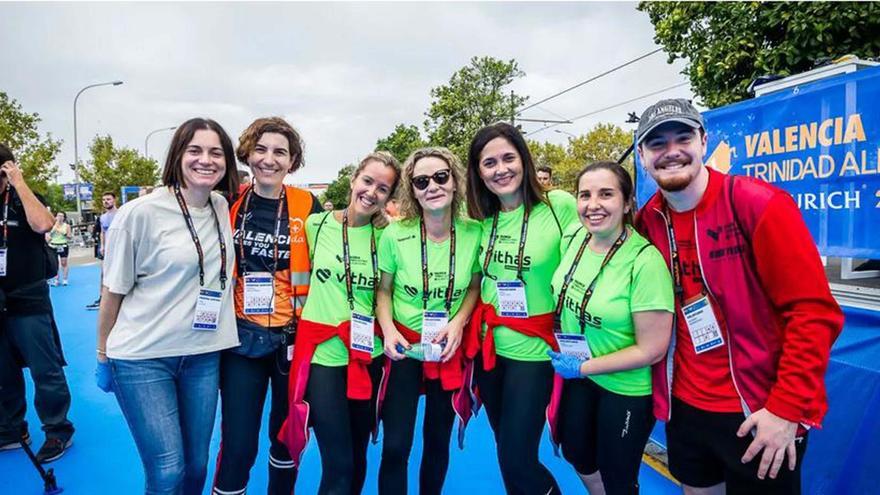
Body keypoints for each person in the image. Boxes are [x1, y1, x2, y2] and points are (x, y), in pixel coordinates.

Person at [634, 99, 844, 494]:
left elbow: (814, 313)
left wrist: (785, 409)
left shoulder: (759, 204)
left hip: (760, 411)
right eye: (657, 143)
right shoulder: (649, 221)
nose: (671, 151)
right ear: (643, 156)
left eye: (683, 137)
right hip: (686, 409)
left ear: (703, 140)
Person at [95, 118, 240, 495]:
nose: (205, 160)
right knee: (167, 470)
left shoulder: (222, 206)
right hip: (145, 359)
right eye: (195, 150)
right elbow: (113, 291)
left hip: (203, 356)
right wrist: (102, 355)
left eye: (215, 152)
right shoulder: (139, 214)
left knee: (197, 466)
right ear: (178, 155)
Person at [463, 122, 578, 495]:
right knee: (506, 453)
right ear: (478, 172)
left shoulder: (558, 206)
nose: (501, 169)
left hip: (536, 352)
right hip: (490, 353)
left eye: (508, 158)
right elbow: (476, 283)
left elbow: (591, 259)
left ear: (524, 160)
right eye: (489, 163)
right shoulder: (483, 222)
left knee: (517, 455)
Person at [546, 161, 674, 495]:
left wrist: (583, 367)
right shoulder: (574, 241)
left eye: (606, 194)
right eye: (584, 195)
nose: (593, 205)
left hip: (624, 388)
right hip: (580, 376)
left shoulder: (645, 261)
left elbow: (652, 349)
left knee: (619, 476)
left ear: (627, 202)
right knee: (576, 451)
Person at [278, 151, 400, 495]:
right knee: (339, 465)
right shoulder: (316, 226)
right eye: (367, 181)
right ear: (353, 179)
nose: (371, 192)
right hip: (323, 358)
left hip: (367, 356)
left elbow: (387, 294)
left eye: (382, 188)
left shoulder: (387, 239)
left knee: (358, 457)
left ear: (389, 197)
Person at [212, 117, 323, 495]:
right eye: (261, 149)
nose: (269, 159)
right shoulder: (228, 201)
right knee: (239, 446)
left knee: (286, 436)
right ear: (247, 153)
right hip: (240, 339)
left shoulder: (308, 204)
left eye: (280, 152)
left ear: (292, 161)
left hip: (292, 341)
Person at [375, 147, 482, 495]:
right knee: (396, 446)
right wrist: (389, 330)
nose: (432, 186)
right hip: (404, 346)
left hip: (446, 346)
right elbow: (384, 290)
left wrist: (460, 321)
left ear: (454, 181)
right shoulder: (395, 234)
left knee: (437, 443)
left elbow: (476, 284)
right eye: (421, 181)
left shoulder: (474, 232)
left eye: (441, 177)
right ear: (412, 190)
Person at [0, 144, 75, 463]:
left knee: (46, 370)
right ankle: (12, 429)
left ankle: (58, 429)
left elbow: (44, 225)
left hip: (28, 299)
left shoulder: (24, 198)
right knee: (3, 372)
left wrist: (18, 183)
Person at [86, 192, 118, 310]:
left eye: (108, 199)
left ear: (114, 200)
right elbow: (103, 233)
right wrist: (103, 246)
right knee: (104, 273)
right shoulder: (103, 217)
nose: (106, 201)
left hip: (120, 248)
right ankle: (102, 298)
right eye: (104, 199)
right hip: (108, 250)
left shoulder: (121, 214)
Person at [46, 211, 73, 286]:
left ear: (64, 218)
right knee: (54, 263)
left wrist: (62, 233)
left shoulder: (66, 226)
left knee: (63, 263)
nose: (60, 218)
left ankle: (65, 279)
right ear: (55, 217)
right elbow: (48, 236)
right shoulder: (52, 225)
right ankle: (56, 279)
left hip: (63, 245)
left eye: (61, 216)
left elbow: (69, 237)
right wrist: (52, 232)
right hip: (53, 245)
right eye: (58, 216)